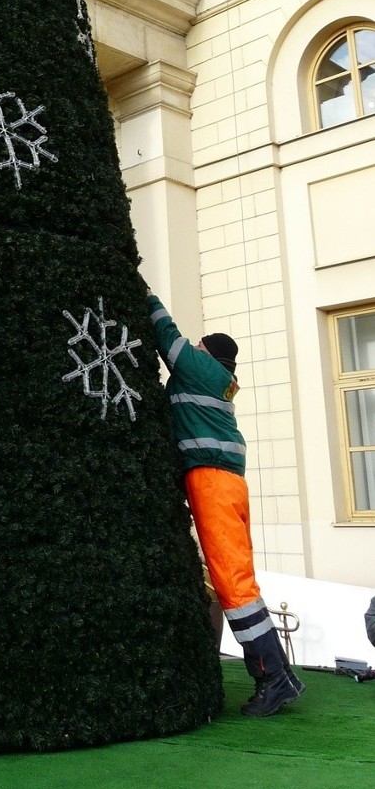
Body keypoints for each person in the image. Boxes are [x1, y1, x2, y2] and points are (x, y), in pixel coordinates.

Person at [146, 290, 305, 718]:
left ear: (209, 355)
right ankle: (280, 675)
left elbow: (167, 335)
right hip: (227, 481)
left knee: (234, 586)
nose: (193, 348)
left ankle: (272, 679)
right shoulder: (218, 380)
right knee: (241, 581)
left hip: (213, 482)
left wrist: (147, 294)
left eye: (200, 346)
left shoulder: (200, 369)